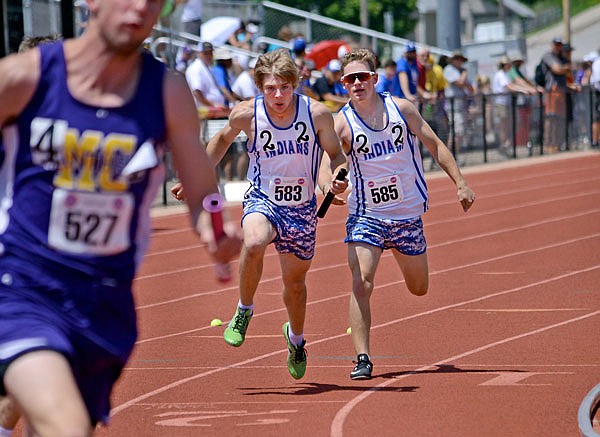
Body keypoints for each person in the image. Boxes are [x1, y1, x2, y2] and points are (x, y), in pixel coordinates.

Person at [0, 0, 240, 434]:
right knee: (64, 426)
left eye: (154, 2)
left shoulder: (167, 94)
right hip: (24, 286)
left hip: (104, 300)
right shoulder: (23, 77)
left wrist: (215, 228)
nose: (140, 9)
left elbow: (203, 192)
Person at [173, 49, 348, 379]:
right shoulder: (246, 114)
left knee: (294, 285)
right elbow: (222, 140)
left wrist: (336, 180)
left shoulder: (317, 115)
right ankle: (244, 309)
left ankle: (296, 339)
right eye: (270, 88)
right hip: (262, 199)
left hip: (301, 209)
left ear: (295, 84)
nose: (278, 96)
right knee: (253, 242)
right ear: (259, 87)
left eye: (284, 87)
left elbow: (336, 156)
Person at [330, 48, 475, 380]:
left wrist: (461, 183)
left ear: (375, 79)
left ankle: (398, 251)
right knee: (361, 281)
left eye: (362, 77)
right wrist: (329, 187)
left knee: (419, 288)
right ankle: (363, 357)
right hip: (366, 215)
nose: (356, 83)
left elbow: (435, 144)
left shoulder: (402, 109)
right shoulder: (342, 123)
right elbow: (327, 165)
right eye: (350, 79)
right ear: (343, 84)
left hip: (407, 214)